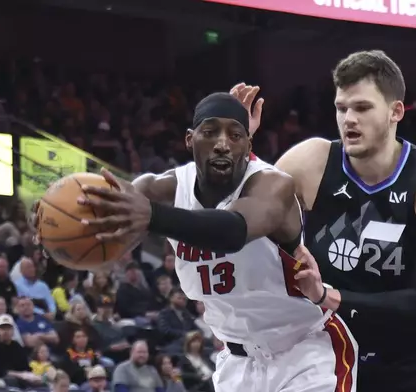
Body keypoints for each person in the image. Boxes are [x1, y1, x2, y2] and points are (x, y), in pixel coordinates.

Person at [35, 92, 357, 392]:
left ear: (248, 145)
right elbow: (102, 224)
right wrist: (55, 228)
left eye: (235, 135)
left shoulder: (273, 186)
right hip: (237, 364)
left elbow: (234, 230)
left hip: (306, 351)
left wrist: (153, 216)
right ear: (190, 140)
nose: (222, 145)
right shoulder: (162, 190)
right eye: (210, 132)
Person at [230, 49, 416, 391]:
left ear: (395, 111)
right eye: (342, 108)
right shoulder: (313, 159)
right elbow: (240, 219)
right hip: (331, 360)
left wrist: (328, 296)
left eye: (362, 108)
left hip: (415, 367)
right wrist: (239, 152)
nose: (349, 119)